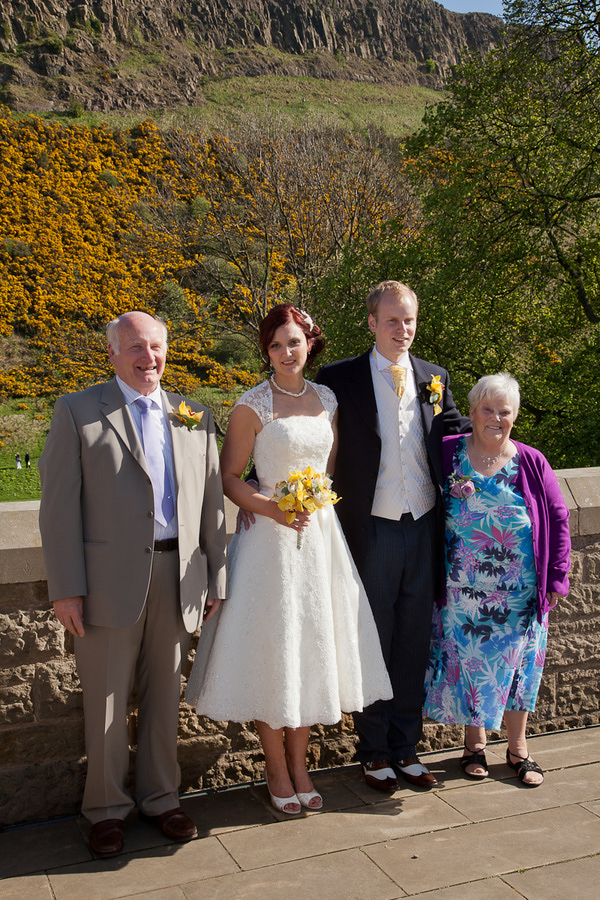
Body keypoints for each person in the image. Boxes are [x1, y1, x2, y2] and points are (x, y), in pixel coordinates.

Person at [186, 304, 392, 814]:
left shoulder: (328, 399)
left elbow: (328, 470)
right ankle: (276, 769)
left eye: (293, 342)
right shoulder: (252, 405)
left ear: (310, 343)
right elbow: (229, 477)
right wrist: (269, 507)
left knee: (310, 651)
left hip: (319, 541)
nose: (285, 352)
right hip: (269, 545)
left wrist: (311, 504)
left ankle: (302, 767)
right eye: (275, 345)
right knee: (274, 652)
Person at [39, 311, 228, 856]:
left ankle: (162, 799)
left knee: (166, 697)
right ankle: (105, 810)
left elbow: (212, 502)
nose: (149, 358)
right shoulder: (77, 411)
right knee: (105, 700)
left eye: (157, 347)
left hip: (179, 575)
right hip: (105, 583)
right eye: (136, 348)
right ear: (112, 353)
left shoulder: (194, 415)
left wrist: (216, 575)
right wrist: (66, 587)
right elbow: (58, 508)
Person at [316, 280, 470, 792]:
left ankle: (407, 747)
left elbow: (457, 432)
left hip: (424, 525)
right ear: (372, 323)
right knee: (373, 640)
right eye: (392, 320)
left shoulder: (434, 377)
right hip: (373, 526)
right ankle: (374, 750)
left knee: (412, 640)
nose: (402, 329)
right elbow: (311, 436)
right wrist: (259, 482)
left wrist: (508, 450)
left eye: (409, 320)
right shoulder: (339, 378)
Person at [423, 373, 571, 786]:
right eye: (487, 409)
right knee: (473, 667)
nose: (495, 418)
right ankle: (474, 746)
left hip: (521, 591)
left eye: (504, 411)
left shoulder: (531, 461)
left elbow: (559, 517)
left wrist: (557, 578)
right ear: (471, 413)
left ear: (515, 416)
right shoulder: (447, 452)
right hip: (462, 592)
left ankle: (518, 748)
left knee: (519, 669)